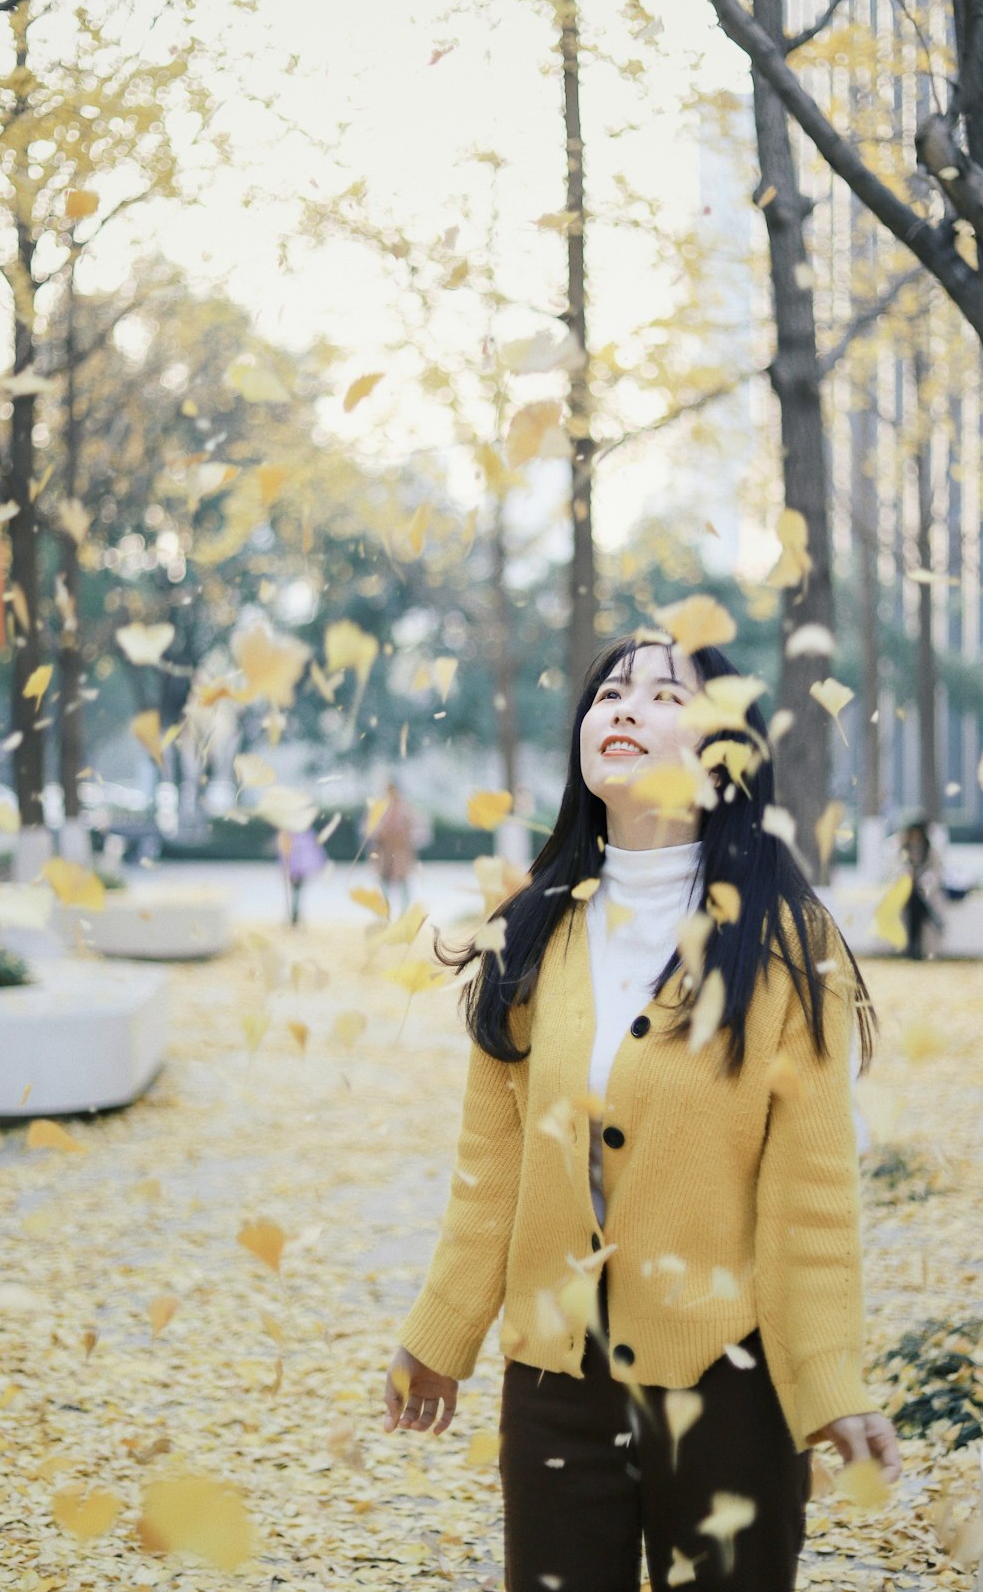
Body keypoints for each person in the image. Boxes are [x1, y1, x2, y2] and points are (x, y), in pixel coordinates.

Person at [383, 634, 901, 1592]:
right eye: (608, 692)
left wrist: (828, 1382)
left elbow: (812, 1196)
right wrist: (441, 1332)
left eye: (666, 695)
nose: (623, 708)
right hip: (554, 1388)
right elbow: (489, 1171)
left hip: (730, 1391)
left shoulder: (788, 944)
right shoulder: (532, 929)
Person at [890, 813, 945, 960]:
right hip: (906, 888)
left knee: (915, 900)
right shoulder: (901, 847)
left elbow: (936, 871)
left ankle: (913, 946)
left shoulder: (930, 850)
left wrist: (923, 880)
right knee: (914, 901)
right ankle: (930, 916)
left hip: (923, 889)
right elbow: (895, 868)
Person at [366, 781, 424, 912]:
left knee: (403, 880)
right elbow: (371, 828)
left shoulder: (405, 808)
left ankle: (404, 911)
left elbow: (416, 829)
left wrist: (404, 837)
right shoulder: (380, 808)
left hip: (400, 850)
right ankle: (386, 910)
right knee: (384, 881)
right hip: (384, 850)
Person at [276, 826, 327, 926]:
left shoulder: (295, 831)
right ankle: (294, 917)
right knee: (296, 891)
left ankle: (294, 917)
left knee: (296, 891)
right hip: (297, 866)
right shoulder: (299, 831)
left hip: (297, 866)